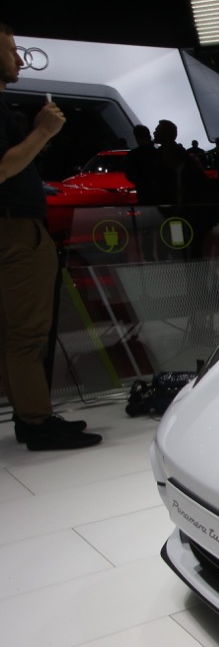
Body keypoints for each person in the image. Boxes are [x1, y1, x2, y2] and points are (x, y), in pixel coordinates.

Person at [0, 23, 101, 449]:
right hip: (15, 231)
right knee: (26, 335)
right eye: (10, 50)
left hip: (14, 228)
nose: (19, 59)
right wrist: (42, 131)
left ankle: (31, 416)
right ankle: (37, 423)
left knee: (15, 334)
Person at [124, 123, 159, 204]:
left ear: (136, 137)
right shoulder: (158, 153)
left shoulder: (133, 154)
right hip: (158, 191)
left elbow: (129, 174)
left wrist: (139, 182)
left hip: (143, 191)